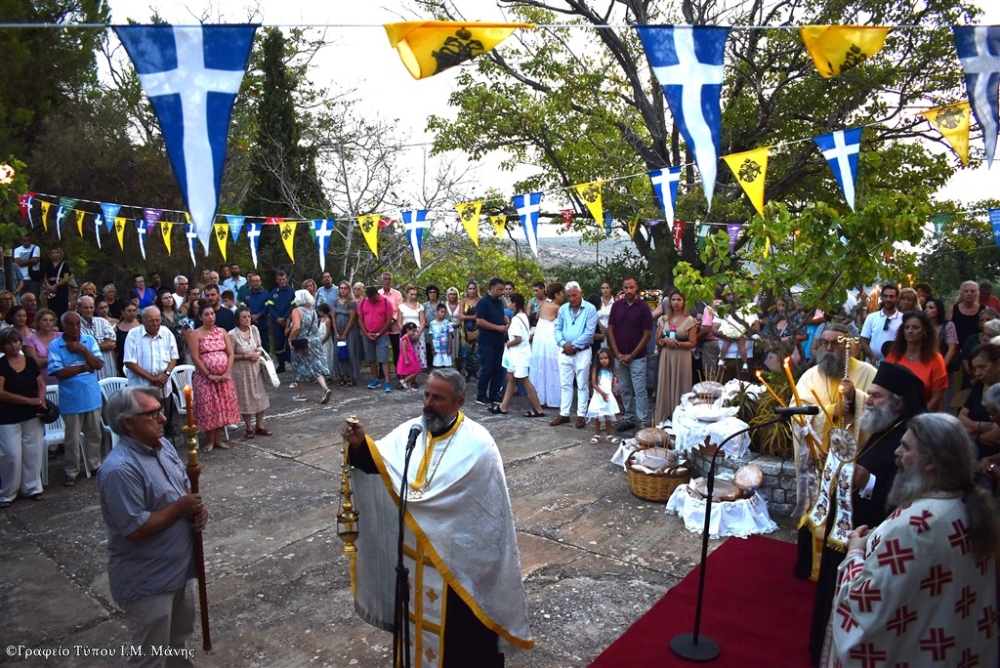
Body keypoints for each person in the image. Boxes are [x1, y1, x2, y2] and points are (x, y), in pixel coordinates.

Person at [342, 368, 533, 666]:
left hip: (458, 570)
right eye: (427, 395)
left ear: (459, 402)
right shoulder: (412, 432)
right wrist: (359, 446)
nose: (428, 403)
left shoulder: (479, 446)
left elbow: (489, 520)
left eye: (438, 398)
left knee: (461, 647)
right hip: (415, 563)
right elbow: (383, 466)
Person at [824, 413, 999, 668]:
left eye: (905, 447)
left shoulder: (914, 525)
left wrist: (855, 552)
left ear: (930, 462)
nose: (897, 452)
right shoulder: (966, 507)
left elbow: (865, 606)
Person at [800, 362, 926, 663]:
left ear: (900, 402)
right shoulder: (884, 427)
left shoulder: (912, 441)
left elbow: (909, 496)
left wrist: (866, 481)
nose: (867, 400)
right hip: (847, 528)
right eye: (868, 394)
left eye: (876, 396)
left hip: (871, 536)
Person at [98, 386, 208, 667]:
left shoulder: (163, 446)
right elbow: (134, 530)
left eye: (160, 410)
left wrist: (198, 511)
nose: (162, 418)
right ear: (128, 423)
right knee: (148, 656)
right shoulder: (120, 469)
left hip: (179, 568)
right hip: (148, 578)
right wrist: (180, 509)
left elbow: (183, 491)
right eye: (152, 413)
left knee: (178, 642)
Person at [793, 323, 878, 576]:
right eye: (826, 343)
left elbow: (879, 413)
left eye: (836, 343)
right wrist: (832, 412)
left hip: (852, 462)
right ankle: (810, 567)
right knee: (814, 511)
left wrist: (857, 400)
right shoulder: (810, 375)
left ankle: (841, 569)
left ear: (849, 345)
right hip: (818, 461)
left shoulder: (868, 373)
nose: (829, 348)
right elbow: (797, 412)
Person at [47, 311, 105, 487]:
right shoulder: (56, 345)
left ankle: (95, 464)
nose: (75, 328)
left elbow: (98, 364)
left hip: (91, 395)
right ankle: (71, 471)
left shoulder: (89, 340)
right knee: (71, 438)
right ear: (63, 325)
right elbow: (60, 373)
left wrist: (82, 349)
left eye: (78, 324)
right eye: (70, 325)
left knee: (94, 433)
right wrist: (83, 368)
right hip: (71, 398)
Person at [0, 327, 47, 507]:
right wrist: (29, 400)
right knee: (11, 454)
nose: (14, 345)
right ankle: (8, 492)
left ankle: (32, 487)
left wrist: (40, 400)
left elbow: (40, 383)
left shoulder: (29, 361)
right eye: (9, 342)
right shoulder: (2, 364)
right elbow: (1, 393)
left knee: (33, 451)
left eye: (16, 341)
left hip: (32, 414)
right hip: (8, 415)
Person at [188, 303, 240, 452]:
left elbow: (230, 353)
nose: (210, 317)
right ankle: (210, 440)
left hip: (223, 378)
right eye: (206, 314)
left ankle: (218, 440)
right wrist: (209, 374)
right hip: (205, 379)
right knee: (209, 409)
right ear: (200, 317)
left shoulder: (222, 331)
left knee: (221, 408)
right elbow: (195, 357)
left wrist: (226, 372)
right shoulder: (195, 334)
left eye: (212, 314)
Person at [607, 277, 653, 432]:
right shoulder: (616, 306)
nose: (628, 291)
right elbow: (610, 330)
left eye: (631, 287)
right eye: (626, 288)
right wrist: (617, 353)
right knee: (625, 389)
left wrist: (632, 355)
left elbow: (647, 334)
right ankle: (629, 418)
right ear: (622, 289)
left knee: (639, 389)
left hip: (637, 357)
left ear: (637, 288)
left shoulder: (644, 308)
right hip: (619, 356)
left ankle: (644, 422)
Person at [549, 282, 598, 429]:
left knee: (582, 384)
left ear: (581, 293)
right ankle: (564, 414)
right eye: (569, 296)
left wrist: (574, 346)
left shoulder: (590, 309)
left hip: (582, 351)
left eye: (574, 295)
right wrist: (564, 344)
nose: (572, 298)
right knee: (565, 384)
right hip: (565, 351)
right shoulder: (563, 309)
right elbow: (557, 329)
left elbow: (589, 332)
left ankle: (581, 415)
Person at [490, 293, 545, 418]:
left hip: (519, 354)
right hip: (517, 355)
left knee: (524, 380)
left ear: (514, 303)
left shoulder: (516, 320)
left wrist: (508, 344)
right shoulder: (523, 316)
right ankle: (503, 406)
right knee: (510, 379)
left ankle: (538, 409)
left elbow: (518, 339)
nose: (508, 304)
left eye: (510, 302)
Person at [883, 310, 948, 411]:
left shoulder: (936, 359)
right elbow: (883, 387)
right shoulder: (893, 356)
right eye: (907, 327)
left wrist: (919, 417)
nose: (910, 331)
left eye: (915, 327)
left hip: (925, 417)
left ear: (925, 330)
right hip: (894, 414)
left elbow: (937, 397)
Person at [654, 288, 698, 424]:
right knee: (665, 384)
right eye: (673, 299)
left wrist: (677, 343)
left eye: (679, 299)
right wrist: (665, 341)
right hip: (666, 356)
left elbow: (692, 343)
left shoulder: (690, 320)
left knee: (681, 384)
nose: (676, 302)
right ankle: (664, 417)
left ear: (684, 302)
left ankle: (681, 419)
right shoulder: (663, 319)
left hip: (682, 357)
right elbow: (657, 340)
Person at [229, 306, 271, 439]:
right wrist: (245, 357)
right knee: (245, 398)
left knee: (260, 395)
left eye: (248, 316)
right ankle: (248, 427)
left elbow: (259, 345)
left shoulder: (254, 329)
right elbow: (230, 355)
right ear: (238, 319)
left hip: (255, 367)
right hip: (241, 370)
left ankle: (260, 425)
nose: (247, 319)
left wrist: (257, 353)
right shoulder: (232, 334)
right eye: (244, 317)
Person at [123, 306, 179, 403]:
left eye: (158, 320)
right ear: (143, 320)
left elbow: (173, 357)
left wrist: (166, 375)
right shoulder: (133, 334)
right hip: (140, 389)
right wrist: (153, 378)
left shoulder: (166, 333)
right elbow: (129, 362)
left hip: (164, 389)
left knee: (165, 417)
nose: (155, 324)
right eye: (151, 321)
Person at [286, 289, 332, 403]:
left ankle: (302, 394)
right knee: (315, 365)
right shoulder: (312, 311)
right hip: (314, 340)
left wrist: (290, 338)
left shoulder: (296, 311)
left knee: (298, 366)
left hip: (301, 341)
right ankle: (325, 388)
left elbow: (296, 327)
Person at [957, 343, 1000, 462]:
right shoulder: (980, 384)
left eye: (982, 367)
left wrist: (970, 432)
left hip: (993, 457)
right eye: (974, 369)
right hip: (971, 453)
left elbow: (995, 437)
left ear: (998, 364)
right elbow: (961, 415)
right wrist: (980, 426)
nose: (977, 373)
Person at [475, 278, 509, 406]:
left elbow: (501, 315)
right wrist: (497, 327)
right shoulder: (483, 302)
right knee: (487, 368)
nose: (502, 292)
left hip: (499, 340)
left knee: (498, 369)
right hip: (487, 341)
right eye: (500, 289)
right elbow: (479, 321)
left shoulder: (499, 302)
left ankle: (494, 394)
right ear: (492, 288)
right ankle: (481, 395)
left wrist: (506, 323)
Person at [529, 283, 562, 409]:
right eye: (561, 293)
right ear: (557, 294)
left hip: (540, 338)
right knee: (552, 366)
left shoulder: (544, 304)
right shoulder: (556, 307)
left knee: (542, 367)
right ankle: (552, 398)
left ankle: (541, 397)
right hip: (549, 338)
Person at [358, 285, 395, 392]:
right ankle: (375, 379)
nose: (370, 299)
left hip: (382, 335)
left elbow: (389, 320)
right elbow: (360, 319)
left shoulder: (385, 302)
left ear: (376, 295)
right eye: (368, 297)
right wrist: (366, 333)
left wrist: (379, 333)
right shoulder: (363, 302)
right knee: (371, 358)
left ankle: (387, 382)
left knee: (383, 358)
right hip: (367, 334)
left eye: (372, 297)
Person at [859, 283, 901, 364]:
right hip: (873, 363)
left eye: (891, 296)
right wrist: (872, 356)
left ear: (897, 298)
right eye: (885, 296)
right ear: (881, 298)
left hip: (895, 363)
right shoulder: (872, 317)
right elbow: (864, 339)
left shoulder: (903, 319)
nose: (888, 299)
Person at [586, 348, 620, 444]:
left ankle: (609, 434)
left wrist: (614, 390)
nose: (603, 360)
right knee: (598, 416)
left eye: (605, 358)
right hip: (599, 396)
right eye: (601, 358)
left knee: (608, 416)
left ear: (610, 358)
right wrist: (602, 393)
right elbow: (594, 384)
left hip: (608, 396)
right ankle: (597, 434)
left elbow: (612, 384)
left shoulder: (611, 371)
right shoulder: (596, 370)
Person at [330, 281, 361, 387]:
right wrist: (336, 331)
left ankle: (352, 377)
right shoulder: (336, 301)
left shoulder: (352, 302)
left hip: (350, 332)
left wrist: (345, 333)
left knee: (350, 353)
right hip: (338, 331)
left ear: (349, 289)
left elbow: (352, 319)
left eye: (345, 288)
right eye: (341, 288)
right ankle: (343, 376)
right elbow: (333, 316)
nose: (343, 290)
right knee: (339, 353)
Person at [22, 308, 61, 386]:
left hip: (61, 379)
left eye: (51, 320)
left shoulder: (61, 336)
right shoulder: (30, 339)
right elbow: (35, 363)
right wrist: (54, 358)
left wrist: (44, 360)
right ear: (38, 322)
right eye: (45, 320)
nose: (48, 323)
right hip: (42, 382)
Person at [398, 285, 428, 383]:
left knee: (416, 356)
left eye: (415, 294)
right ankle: (403, 379)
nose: (413, 296)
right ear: (407, 294)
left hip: (417, 332)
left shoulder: (420, 306)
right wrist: (405, 333)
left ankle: (413, 381)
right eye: (411, 294)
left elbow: (423, 321)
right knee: (405, 355)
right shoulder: (401, 307)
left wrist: (418, 334)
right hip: (405, 334)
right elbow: (399, 322)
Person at [268, 271, 295, 374]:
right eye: (280, 279)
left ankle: (293, 363)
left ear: (286, 279)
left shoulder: (292, 291)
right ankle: (281, 365)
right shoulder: (273, 293)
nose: (282, 281)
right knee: (278, 344)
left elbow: (293, 306)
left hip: (288, 321)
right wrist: (277, 318)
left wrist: (285, 318)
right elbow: (270, 306)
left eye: (284, 279)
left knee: (290, 342)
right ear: (276, 280)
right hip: (276, 322)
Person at [379, 272, 404, 370]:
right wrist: (385, 323)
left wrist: (391, 321)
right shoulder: (378, 294)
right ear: (381, 281)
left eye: (389, 279)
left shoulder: (397, 294)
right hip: (381, 327)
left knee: (397, 349)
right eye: (385, 279)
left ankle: (399, 370)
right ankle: (381, 370)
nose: (387, 281)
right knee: (382, 349)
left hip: (395, 326)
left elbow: (400, 310)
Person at [41, 247, 72, 319]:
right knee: (51, 307)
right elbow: (45, 277)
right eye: (53, 253)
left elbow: (66, 278)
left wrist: (56, 285)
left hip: (61, 289)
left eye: (57, 253)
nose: (55, 255)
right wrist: (48, 285)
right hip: (50, 289)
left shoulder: (64, 265)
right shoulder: (48, 265)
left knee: (61, 308)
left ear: (61, 254)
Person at [460, 281, 481, 381]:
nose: (472, 291)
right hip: (465, 329)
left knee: (476, 350)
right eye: (470, 288)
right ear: (467, 290)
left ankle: (476, 372)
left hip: (478, 328)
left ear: (477, 289)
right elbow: (461, 315)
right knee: (465, 350)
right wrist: (473, 317)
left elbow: (481, 316)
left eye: (473, 288)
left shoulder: (481, 301)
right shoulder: (463, 301)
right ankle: (467, 373)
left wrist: (468, 317)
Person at [115, 303, 142, 375]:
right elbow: (115, 351)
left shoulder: (142, 325)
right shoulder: (117, 328)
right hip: (124, 361)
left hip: (141, 361)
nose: (132, 313)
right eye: (129, 311)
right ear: (122, 312)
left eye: (134, 310)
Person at [396, 322, 423, 391]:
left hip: (411, 356)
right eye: (413, 331)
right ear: (407, 330)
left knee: (411, 372)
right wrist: (406, 359)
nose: (414, 333)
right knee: (416, 371)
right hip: (408, 357)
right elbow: (403, 350)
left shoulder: (408, 337)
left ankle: (409, 388)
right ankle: (404, 381)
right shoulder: (405, 338)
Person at [422, 285, 442, 369]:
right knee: (429, 351)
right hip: (428, 332)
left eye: (434, 292)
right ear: (427, 294)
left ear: (437, 293)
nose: (432, 294)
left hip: (440, 332)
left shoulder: (442, 304)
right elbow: (422, 319)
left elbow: (447, 318)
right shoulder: (424, 305)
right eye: (430, 292)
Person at [443, 287, 463, 367]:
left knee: (457, 348)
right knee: (446, 348)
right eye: (450, 294)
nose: (452, 296)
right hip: (445, 329)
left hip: (457, 329)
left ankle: (457, 366)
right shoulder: (444, 304)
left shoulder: (460, 304)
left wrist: (458, 324)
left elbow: (462, 316)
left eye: (454, 294)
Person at [429, 304, 454, 369]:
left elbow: (450, 335)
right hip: (437, 349)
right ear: (437, 312)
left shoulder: (447, 323)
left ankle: (447, 378)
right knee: (437, 366)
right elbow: (431, 337)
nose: (443, 314)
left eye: (444, 312)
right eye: (441, 312)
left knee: (447, 365)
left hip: (445, 348)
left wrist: (450, 347)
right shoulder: (432, 323)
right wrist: (432, 349)